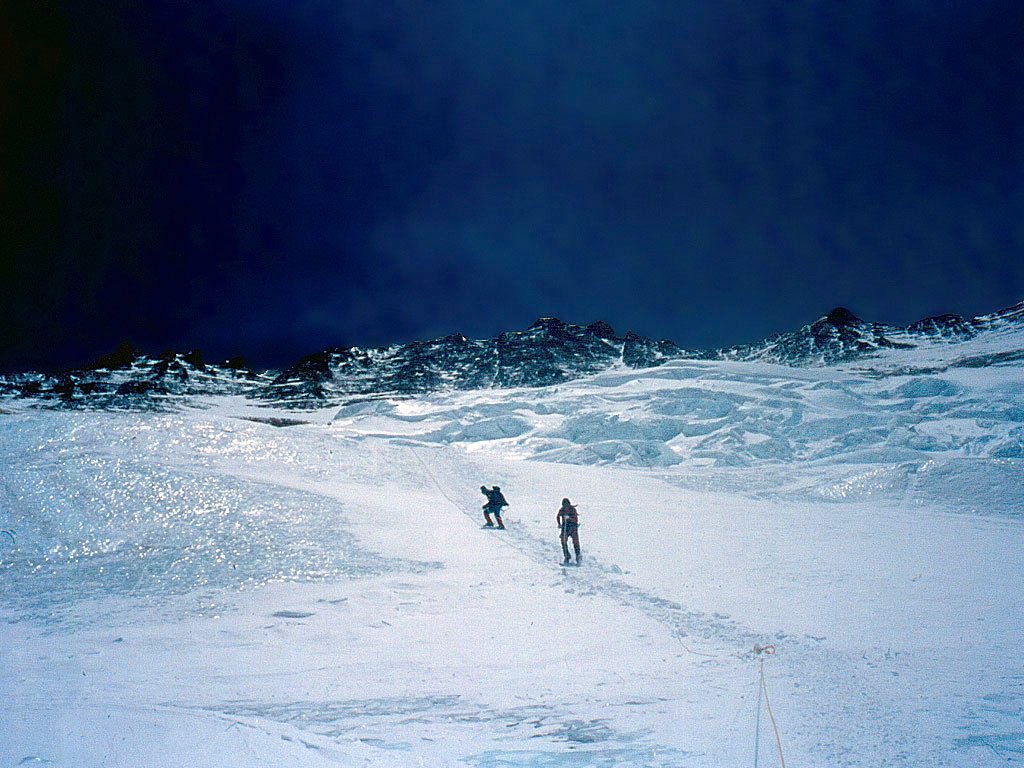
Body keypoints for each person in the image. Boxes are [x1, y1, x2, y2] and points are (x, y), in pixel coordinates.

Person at [556, 497, 580, 565]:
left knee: (576, 542)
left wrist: (569, 518)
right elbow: (557, 516)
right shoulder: (562, 510)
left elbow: (576, 519)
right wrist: (559, 524)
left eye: (567, 504)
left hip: (573, 527)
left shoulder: (573, 509)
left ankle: (578, 556)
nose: (565, 506)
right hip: (565, 528)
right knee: (563, 541)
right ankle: (567, 556)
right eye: (564, 505)